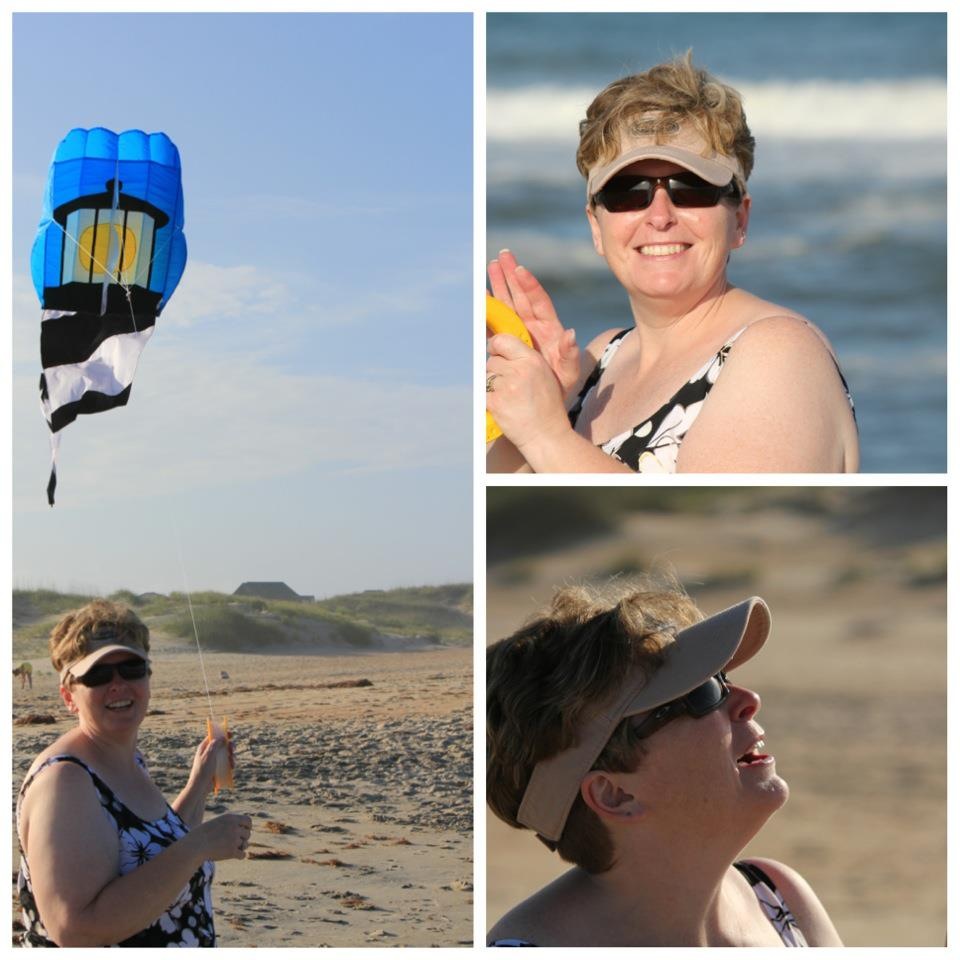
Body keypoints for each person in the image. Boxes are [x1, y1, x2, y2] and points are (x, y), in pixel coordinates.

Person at [486, 52, 859, 473]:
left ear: (739, 219)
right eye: (628, 193)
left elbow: (719, 533)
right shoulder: (597, 360)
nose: (659, 216)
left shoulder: (777, 353)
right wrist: (536, 406)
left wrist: (545, 434)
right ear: (596, 226)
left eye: (691, 189)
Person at [486, 582, 844, 946]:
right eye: (701, 694)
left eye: (722, 678)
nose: (749, 700)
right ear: (614, 795)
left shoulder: (779, 896)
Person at [16, 599, 252, 947]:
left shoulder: (127, 760)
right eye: (97, 674)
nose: (118, 684)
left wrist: (199, 782)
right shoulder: (65, 781)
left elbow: (149, 853)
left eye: (131, 668)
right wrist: (199, 846)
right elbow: (75, 927)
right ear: (69, 696)